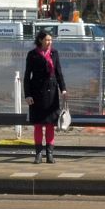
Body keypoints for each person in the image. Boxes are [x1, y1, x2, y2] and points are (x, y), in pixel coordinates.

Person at [23, 30, 67, 164]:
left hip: (52, 93)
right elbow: (27, 76)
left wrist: (63, 89)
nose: (49, 42)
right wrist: (28, 94)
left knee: (50, 125)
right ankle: (38, 154)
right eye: (47, 40)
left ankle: (50, 154)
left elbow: (59, 73)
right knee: (37, 125)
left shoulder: (55, 54)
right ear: (41, 40)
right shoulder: (32, 54)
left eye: (51, 40)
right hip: (36, 93)